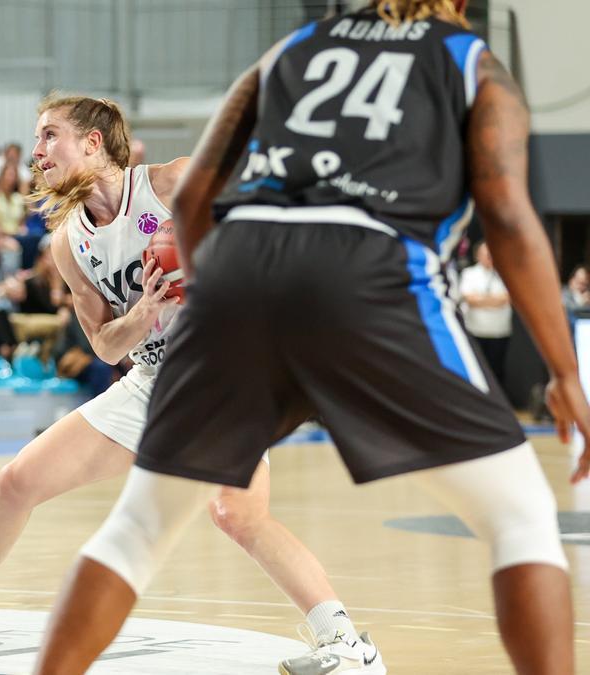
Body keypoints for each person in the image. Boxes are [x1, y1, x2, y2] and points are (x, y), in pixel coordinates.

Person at [34, 3, 584, 674]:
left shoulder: (291, 49)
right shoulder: (474, 64)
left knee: (137, 528)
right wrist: (564, 373)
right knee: (522, 518)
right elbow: (508, 216)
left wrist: (213, 307)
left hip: (242, 279)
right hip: (368, 275)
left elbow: (197, 194)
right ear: (458, 6)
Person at [0, 94, 380, 675]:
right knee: (17, 480)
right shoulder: (68, 242)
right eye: (36, 139)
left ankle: (348, 645)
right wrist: (142, 314)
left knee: (237, 514)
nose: (37, 151)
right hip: (153, 379)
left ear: (92, 142)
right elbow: (106, 346)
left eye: (49, 135)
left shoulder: (173, 183)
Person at [460, 241, 512, 386]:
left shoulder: (506, 273)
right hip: (475, 330)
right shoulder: (469, 273)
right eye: (486, 254)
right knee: (476, 369)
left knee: (496, 371)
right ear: (478, 255)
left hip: (499, 331)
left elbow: (506, 298)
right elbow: (470, 299)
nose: (490, 257)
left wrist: (481, 300)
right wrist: (494, 300)